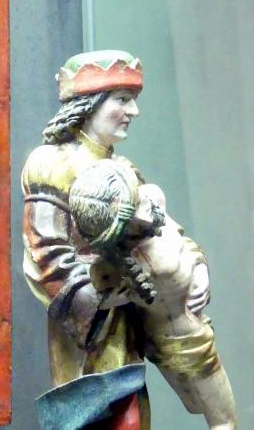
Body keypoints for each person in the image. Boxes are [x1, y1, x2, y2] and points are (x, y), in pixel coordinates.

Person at [22, 50, 210, 428]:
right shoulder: (50, 164)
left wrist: (195, 265)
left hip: (131, 323)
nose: (133, 111)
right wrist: (106, 291)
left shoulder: (123, 169)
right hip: (89, 333)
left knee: (134, 413)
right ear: (88, 104)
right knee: (97, 416)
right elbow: (45, 256)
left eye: (133, 100)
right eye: (122, 100)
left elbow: (162, 229)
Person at [69, 160, 236, 429]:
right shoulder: (114, 265)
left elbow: (184, 243)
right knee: (198, 407)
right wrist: (117, 296)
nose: (146, 217)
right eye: (129, 221)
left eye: (136, 201)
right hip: (167, 337)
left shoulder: (152, 199)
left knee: (223, 420)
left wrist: (200, 267)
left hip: (195, 331)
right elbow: (99, 296)